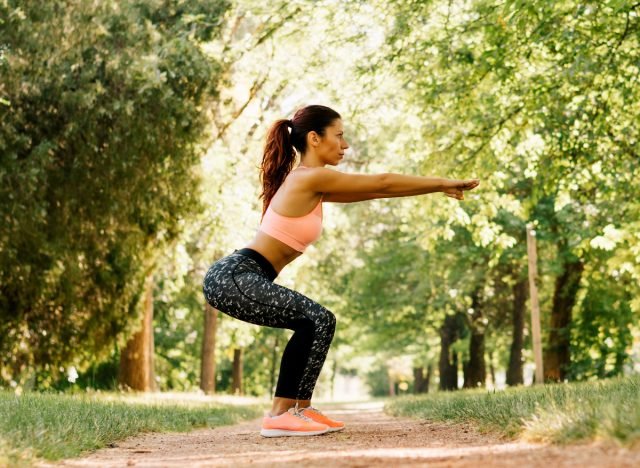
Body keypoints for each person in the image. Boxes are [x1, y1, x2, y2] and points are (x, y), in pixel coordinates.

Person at [202, 104, 480, 438]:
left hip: (242, 275)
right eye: (340, 136)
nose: (345, 145)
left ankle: (298, 410)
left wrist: (434, 188)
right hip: (233, 276)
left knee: (318, 321)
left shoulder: (315, 183)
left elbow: (378, 189)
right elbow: (383, 181)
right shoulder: (311, 176)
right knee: (317, 319)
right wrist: (440, 183)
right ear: (315, 139)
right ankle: (280, 414)